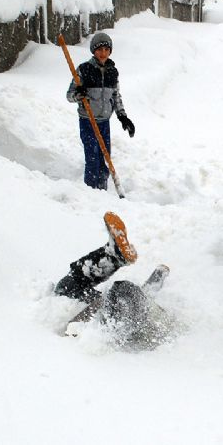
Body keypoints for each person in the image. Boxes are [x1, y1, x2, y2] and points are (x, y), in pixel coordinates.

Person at [54, 212, 173, 350]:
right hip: (124, 304)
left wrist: (159, 275)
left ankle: (114, 256)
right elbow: (146, 297)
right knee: (66, 288)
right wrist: (158, 276)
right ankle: (114, 256)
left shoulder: (98, 333)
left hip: (119, 306)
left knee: (65, 288)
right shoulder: (145, 319)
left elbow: (73, 331)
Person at [67, 32, 135, 190]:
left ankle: (102, 190)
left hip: (104, 123)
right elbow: (69, 96)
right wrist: (78, 94)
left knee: (104, 159)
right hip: (88, 121)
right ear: (93, 51)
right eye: (99, 49)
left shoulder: (113, 72)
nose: (103, 53)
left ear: (110, 51)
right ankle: (90, 193)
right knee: (92, 160)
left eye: (106, 49)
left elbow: (116, 96)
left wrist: (123, 117)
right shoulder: (84, 70)